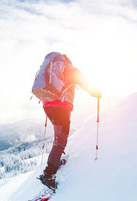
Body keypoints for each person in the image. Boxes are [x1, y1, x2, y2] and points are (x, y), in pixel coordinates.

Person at [39, 52, 102, 190]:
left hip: (47, 106)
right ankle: (49, 174)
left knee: (59, 137)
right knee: (61, 140)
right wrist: (96, 92)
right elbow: (84, 82)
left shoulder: (51, 69)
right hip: (61, 107)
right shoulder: (69, 69)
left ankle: (54, 163)